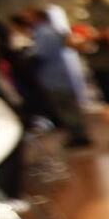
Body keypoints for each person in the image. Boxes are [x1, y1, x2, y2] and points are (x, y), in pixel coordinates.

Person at [25, 8, 90, 147]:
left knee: (66, 107)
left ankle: (79, 136)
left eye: (29, 16)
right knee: (66, 106)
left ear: (37, 17)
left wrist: (25, 56)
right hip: (56, 76)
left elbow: (39, 54)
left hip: (53, 77)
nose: (27, 20)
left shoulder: (44, 33)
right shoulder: (50, 31)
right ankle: (78, 134)